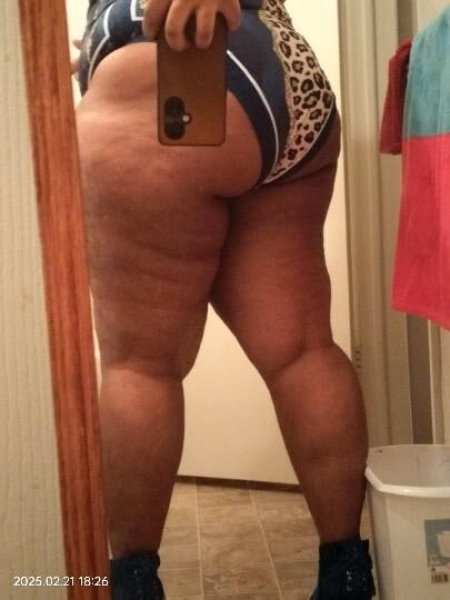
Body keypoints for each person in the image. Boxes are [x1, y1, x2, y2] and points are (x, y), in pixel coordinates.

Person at [74, 0, 376, 598]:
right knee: (302, 351)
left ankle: (131, 585)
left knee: (142, 366)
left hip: (170, 67)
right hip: (286, 79)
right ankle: (346, 573)